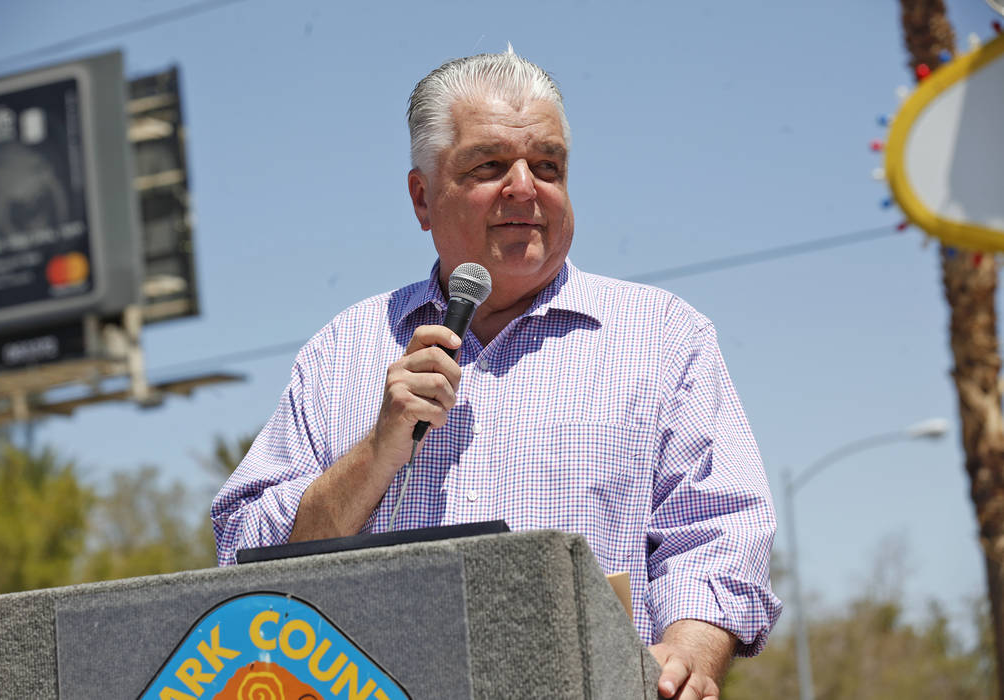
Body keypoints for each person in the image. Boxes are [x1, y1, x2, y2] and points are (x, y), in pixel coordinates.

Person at [212, 49, 782, 699]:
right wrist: (374, 454)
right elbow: (242, 560)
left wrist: (686, 657)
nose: (524, 188)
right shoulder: (342, 351)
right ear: (422, 198)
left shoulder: (665, 338)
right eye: (489, 166)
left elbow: (718, 538)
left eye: (547, 166)